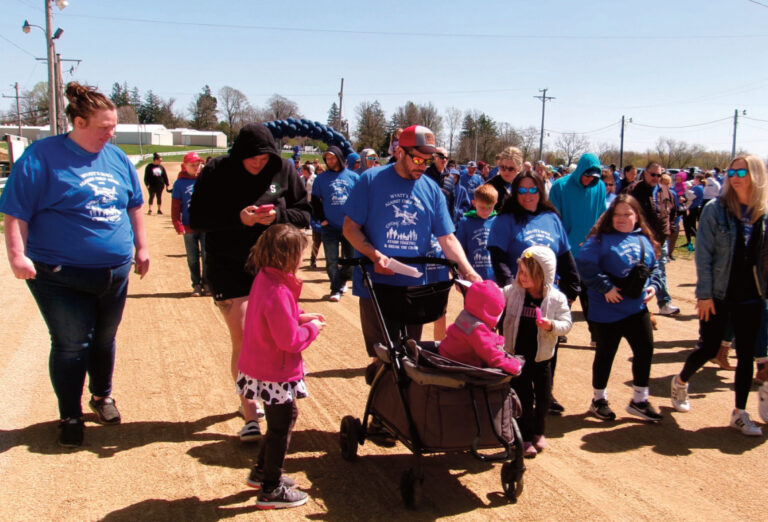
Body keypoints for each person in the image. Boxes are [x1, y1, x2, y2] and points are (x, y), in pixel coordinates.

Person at [0, 81, 149, 447]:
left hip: (114, 273)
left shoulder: (116, 159)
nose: (110, 133)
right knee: (71, 344)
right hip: (59, 274)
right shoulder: (41, 156)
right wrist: (17, 255)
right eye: (104, 127)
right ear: (79, 122)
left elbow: (133, 204)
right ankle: (70, 413)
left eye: (113, 126)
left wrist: (141, 248)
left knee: (104, 340)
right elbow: (15, 211)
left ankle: (102, 397)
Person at [189, 123, 311, 441]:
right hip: (228, 265)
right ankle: (250, 414)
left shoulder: (283, 169)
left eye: (263, 159)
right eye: (252, 159)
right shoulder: (217, 170)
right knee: (244, 337)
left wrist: (279, 217)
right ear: (239, 154)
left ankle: (272, 402)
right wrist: (238, 219)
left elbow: (305, 213)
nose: (258, 164)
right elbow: (197, 218)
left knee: (276, 338)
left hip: (274, 269)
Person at [343, 124, 482, 359]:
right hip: (376, 284)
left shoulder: (432, 190)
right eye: (418, 160)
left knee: (410, 357)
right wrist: (374, 255)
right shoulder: (370, 180)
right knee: (383, 358)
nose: (423, 166)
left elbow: (447, 238)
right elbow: (350, 229)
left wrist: (469, 272)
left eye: (427, 161)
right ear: (400, 152)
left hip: (414, 289)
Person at [670, 155, 768, 436]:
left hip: (753, 294)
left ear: (757, 175)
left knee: (746, 353)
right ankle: (680, 381)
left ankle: (739, 412)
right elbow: (704, 255)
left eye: (743, 172)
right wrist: (703, 295)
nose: (735, 176)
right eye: (732, 171)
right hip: (719, 293)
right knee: (710, 348)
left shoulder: (763, 212)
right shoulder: (716, 209)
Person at [239, 224, 325, 509]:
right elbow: (289, 340)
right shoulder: (278, 289)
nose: (302, 258)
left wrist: (301, 316)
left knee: (282, 421)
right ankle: (270, 489)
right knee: (281, 426)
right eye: (299, 253)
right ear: (287, 256)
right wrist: (311, 328)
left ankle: (263, 471)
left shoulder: (266, 278)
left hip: (263, 365)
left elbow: (279, 318)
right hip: (275, 370)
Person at [488, 170, 581, 414]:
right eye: (522, 190)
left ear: (540, 191)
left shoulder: (551, 218)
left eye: (533, 189)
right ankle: (513, 392)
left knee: (546, 346)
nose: (528, 195)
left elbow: (563, 254)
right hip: (518, 294)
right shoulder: (506, 218)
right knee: (517, 344)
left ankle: (544, 393)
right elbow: (497, 257)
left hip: (546, 296)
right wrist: (511, 288)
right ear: (515, 192)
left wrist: (572, 284)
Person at [577, 195, 664, 423]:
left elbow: (655, 268)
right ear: (609, 217)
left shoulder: (644, 239)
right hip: (607, 311)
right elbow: (584, 265)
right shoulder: (599, 240)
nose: (622, 218)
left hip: (637, 309)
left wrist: (654, 286)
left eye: (628, 214)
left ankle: (639, 400)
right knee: (606, 354)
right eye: (617, 214)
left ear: (637, 216)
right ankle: (598, 399)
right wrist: (605, 287)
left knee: (645, 350)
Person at [502, 246, 572, 458]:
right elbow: (493, 296)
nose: (521, 277)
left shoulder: (557, 299)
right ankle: (524, 436)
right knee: (522, 397)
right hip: (518, 356)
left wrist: (551, 325)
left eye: (527, 273)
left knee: (543, 398)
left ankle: (539, 431)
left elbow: (567, 323)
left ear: (543, 275)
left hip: (542, 357)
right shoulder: (512, 293)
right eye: (520, 272)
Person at [549, 153, 609, 345]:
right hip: (565, 249)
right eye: (587, 175)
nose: (590, 179)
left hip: (589, 250)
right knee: (564, 293)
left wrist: (595, 238)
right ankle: (559, 330)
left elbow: (602, 214)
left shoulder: (599, 187)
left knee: (591, 294)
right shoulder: (560, 186)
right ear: (581, 170)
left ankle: (596, 335)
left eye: (595, 176)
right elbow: (553, 218)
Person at [439, 280, 523, 375]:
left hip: (447, 355)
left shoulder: (467, 315)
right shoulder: (477, 329)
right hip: (458, 365)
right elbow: (491, 355)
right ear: (491, 311)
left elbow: (482, 339)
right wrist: (513, 365)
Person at [631, 162, 680, 315]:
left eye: (659, 175)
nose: (656, 178)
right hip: (640, 240)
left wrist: (670, 229)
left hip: (660, 240)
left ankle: (664, 303)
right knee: (638, 272)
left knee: (660, 271)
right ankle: (635, 304)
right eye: (653, 174)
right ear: (645, 173)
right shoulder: (634, 190)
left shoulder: (666, 191)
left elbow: (673, 212)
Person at [311, 146, 359, 302]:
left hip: (349, 226)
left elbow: (361, 200)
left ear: (339, 158)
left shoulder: (353, 177)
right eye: (327, 159)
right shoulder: (320, 179)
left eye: (332, 158)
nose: (330, 161)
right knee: (331, 260)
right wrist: (322, 220)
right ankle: (335, 289)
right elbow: (315, 202)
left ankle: (342, 280)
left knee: (351, 261)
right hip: (329, 226)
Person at [171, 152, 207, 296]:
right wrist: (177, 224)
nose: (196, 167)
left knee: (207, 256)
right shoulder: (179, 183)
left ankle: (206, 283)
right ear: (185, 166)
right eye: (192, 165)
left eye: (198, 164)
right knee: (192, 257)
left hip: (205, 225)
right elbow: (175, 207)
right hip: (188, 226)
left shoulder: (205, 179)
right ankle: (196, 284)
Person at [456, 183, 498, 281]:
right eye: (482, 207)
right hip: (473, 275)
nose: (486, 211)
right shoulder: (465, 222)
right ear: (474, 203)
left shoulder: (498, 221)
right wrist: (461, 274)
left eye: (490, 207)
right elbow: (460, 250)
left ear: (495, 203)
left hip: (495, 277)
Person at [484, 146, 522, 212]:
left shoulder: (524, 185)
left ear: (519, 168)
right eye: (503, 167)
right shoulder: (489, 187)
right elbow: (482, 210)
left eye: (511, 169)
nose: (506, 171)